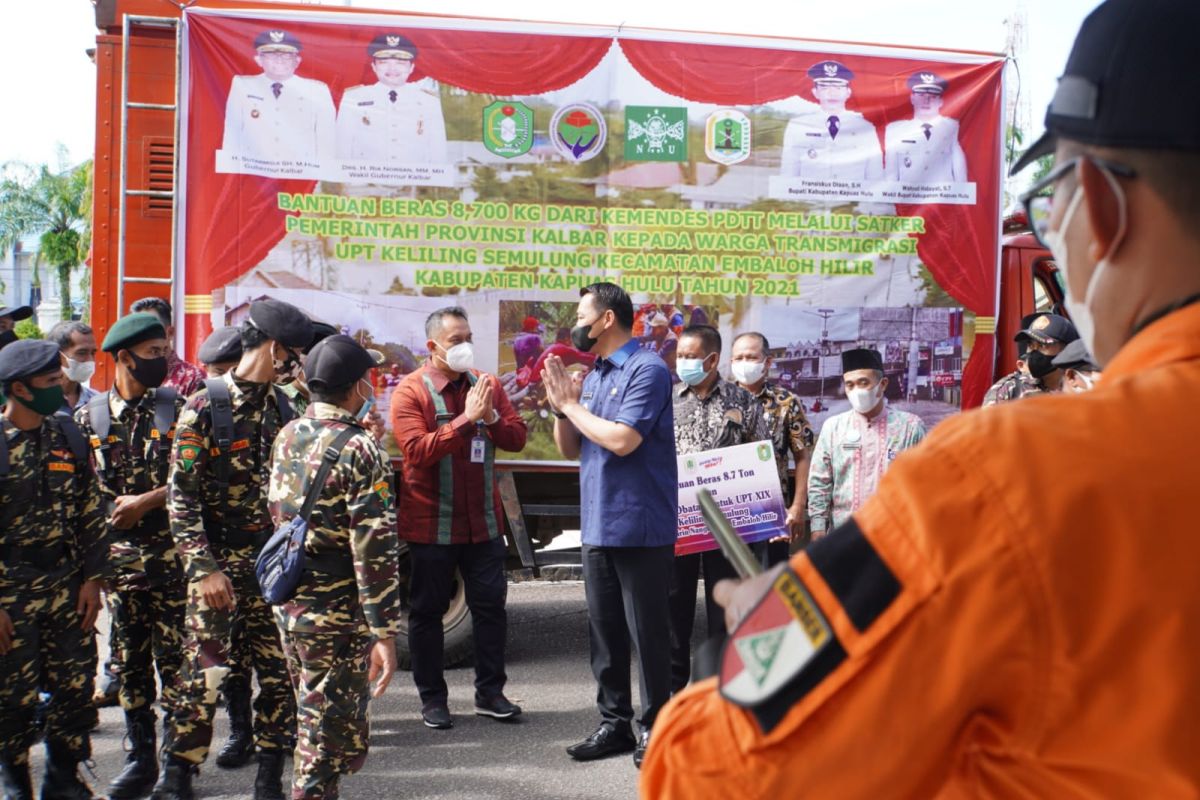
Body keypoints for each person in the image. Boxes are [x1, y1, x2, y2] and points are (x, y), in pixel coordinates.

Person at [640, 1, 1200, 795]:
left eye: (1054, 202)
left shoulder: (1005, 481)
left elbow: (716, 776)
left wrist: (771, 633)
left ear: (1100, 212)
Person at [151, 299, 311, 800]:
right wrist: (203, 570)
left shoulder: (289, 405)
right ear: (274, 347)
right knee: (203, 671)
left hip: (272, 566)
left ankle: (269, 775)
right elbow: (181, 498)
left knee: (279, 674)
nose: (295, 363)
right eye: (293, 353)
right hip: (218, 564)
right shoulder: (204, 405)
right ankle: (177, 773)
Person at [540, 282, 675, 768]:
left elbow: (622, 441)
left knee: (648, 635)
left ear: (607, 320)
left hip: (639, 525)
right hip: (597, 523)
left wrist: (574, 407)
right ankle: (614, 724)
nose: (577, 323)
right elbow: (570, 448)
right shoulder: (595, 373)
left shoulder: (648, 369)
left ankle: (656, 728)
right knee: (605, 634)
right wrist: (562, 408)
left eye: (582, 314)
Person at [267, 335, 400, 800]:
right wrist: (384, 632)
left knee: (314, 719)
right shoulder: (362, 450)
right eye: (369, 379)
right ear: (355, 388)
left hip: (292, 604)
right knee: (323, 741)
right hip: (336, 614)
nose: (372, 386)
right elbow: (374, 550)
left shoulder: (288, 434)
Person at [389, 306, 527, 730]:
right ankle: (433, 699)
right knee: (427, 612)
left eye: (468, 337)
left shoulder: (486, 385)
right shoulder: (410, 391)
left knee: (491, 609)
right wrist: (468, 420)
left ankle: (490, 693)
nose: (465, 346)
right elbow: (417, 451)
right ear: (432, 347)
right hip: (432, 524)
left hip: (483, 524)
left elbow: (517, 438)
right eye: (455, 340)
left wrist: (492, 416)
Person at [74, 313, 187, 799]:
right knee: (132, 668)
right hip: (122, 572)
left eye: (163, 351)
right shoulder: (88, 418)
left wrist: (149, 500)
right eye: (154, 354)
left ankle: (179, 766)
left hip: (175, 565)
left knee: (180, 669)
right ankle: (140, 758)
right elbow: (79, 497)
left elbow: (194, 479)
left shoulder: (178, 409)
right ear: (123, 358)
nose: (163, 361)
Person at [0, 339, 106, 799]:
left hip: (66, 585)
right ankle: (13, 783)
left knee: (74, 691)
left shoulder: (68, 435)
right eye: (47, 383)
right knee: (11, 700)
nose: (57, 388)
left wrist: (93, 580)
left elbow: (91, 513)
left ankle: (63, 780)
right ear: (19, 389)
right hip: (10, 593)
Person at [669, 325, 769, 695]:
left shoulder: (742, 402)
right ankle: (672, 699)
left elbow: (763, 455)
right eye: (680, 355)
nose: (683, 362)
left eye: (691, 356)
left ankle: (721, 696)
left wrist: (763, 516)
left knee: (725, 611)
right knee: (672, 611)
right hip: (678, 521)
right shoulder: (666, 399)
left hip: (729, 524)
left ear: (711, 360)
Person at [806, 348, 926, 540]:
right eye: (850, 385)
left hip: (897, 539)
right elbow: (820, 481)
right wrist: (818, 526)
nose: (857, 391)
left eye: (864, 383)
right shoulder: (834, 428)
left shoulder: (910, 427)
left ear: (883, 384)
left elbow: (924, 485)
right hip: (843, 537)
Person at [729, 332, 815, 561]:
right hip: (727, 512)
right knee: (727, 588)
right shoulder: (720, 400)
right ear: (731, 362)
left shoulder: (786, 402)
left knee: (769, 587)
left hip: (772, 513)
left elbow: (802, 456)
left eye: (751, 357)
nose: (744, 363)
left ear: (768, 362)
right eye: (739, 358)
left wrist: (797, 506)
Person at [221, 30, 336, 165]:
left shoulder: (317, 91)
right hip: (254, 170)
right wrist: (229, 168)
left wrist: (321, 178)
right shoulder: (242, 85)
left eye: (287, 56)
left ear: (297, 61)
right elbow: (232, 132)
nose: (279, 60)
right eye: (271, 55)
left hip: (300, 171)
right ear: (259, 60)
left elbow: (326, 140)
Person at [336, 33, 448, 164]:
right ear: (374, 67)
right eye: (383, 62)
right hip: (364, 181)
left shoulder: (429, 102)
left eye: (400, 62)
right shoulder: (354, 97)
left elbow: (437, 152)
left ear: (411, 67)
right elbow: (342, 147)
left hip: (415, 180)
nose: (392, 69)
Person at [779, 60, 883, 183]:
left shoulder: (865, 128)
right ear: (815, 92)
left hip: (852, 201)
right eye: (825, 87)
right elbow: (788, 173)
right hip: (810, 200)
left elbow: (875, 177)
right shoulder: (798, 126)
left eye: (838, 87)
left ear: (848, 93)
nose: (832, 93)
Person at [884, 71, 969, 183]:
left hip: (943, 196)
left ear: (941, 102)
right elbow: (891, 174)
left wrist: (962, 196)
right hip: (908, 197)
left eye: (933, 97)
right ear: (912, 99)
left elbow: (960, 173)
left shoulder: (951, 127)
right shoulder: (895, 130)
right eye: (921, 95)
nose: (926, 101)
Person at [982, 313, 1079, 405]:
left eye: (1042, 345)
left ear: (1066, 349)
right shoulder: (1010, 391)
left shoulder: (1082, 385)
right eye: (1031, 345)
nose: (1034, 351)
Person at [131, 298, 206, 399]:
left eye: (151, 330)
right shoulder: (132, 377)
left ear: (170, 333)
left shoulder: (194, 378)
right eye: (137, 331)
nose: (143, 336)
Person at [48, 321, 98, 413]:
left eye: (93, 353)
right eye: (82, 353)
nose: (90, 360)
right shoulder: (40, 401)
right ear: (58, 355)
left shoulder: (97, 401)